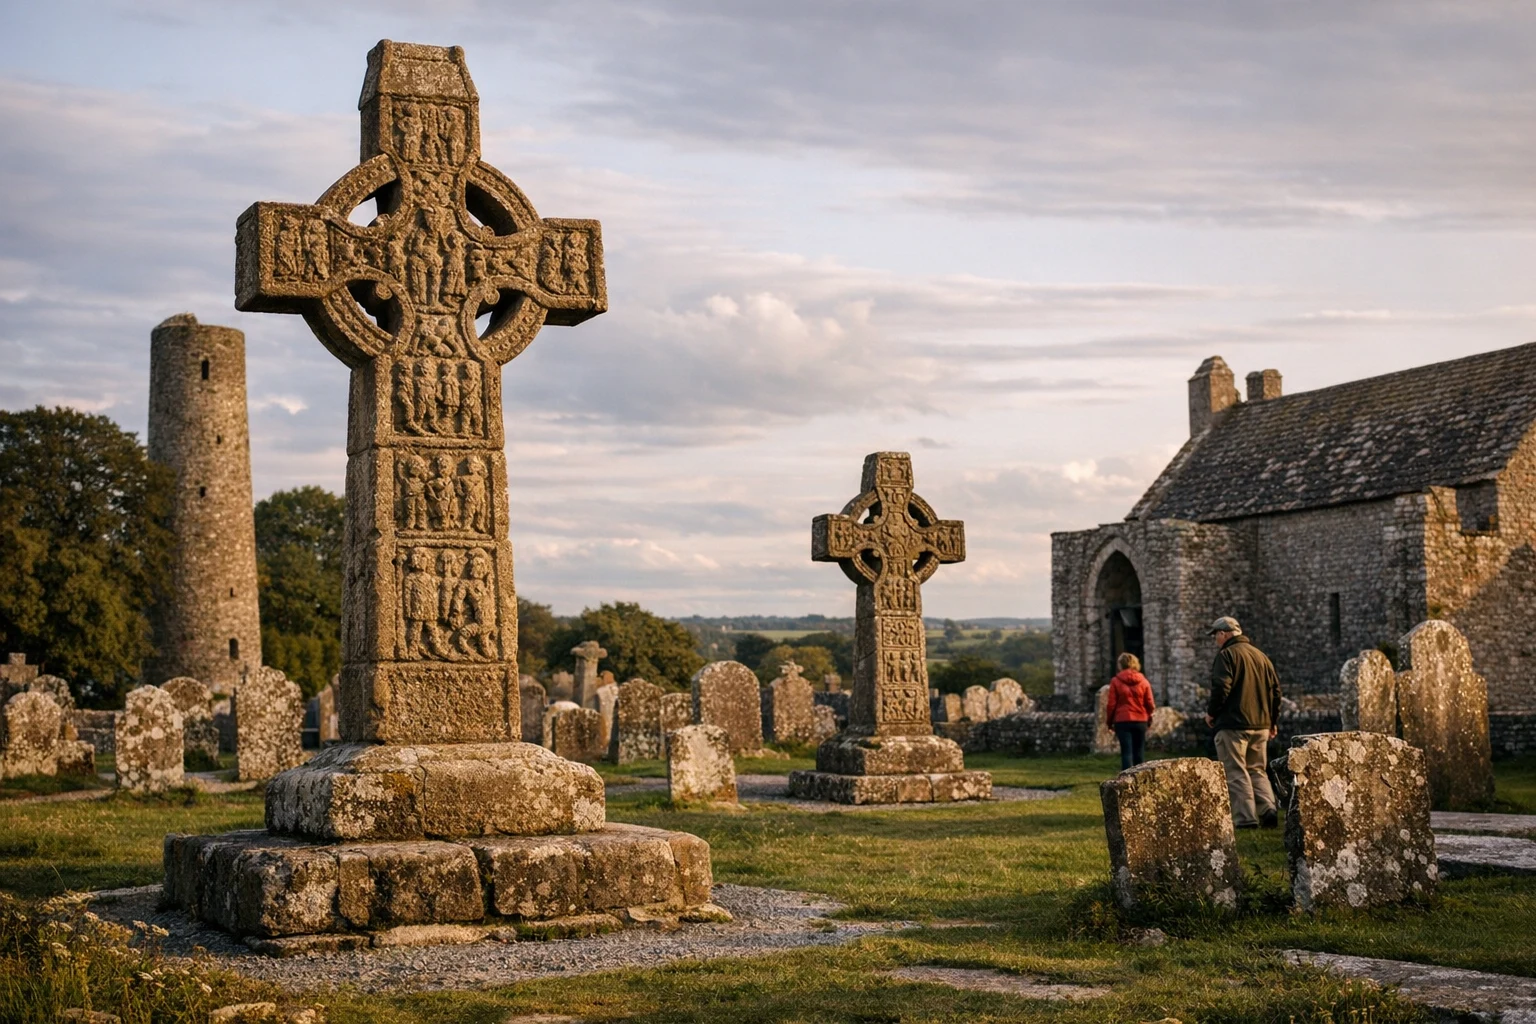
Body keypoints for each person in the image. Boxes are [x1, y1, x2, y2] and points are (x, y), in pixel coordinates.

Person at [1204, 616, 1282, 829]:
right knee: (1257, 769)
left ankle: (1245, 819)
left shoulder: (1227, 655)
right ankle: (1268, 808)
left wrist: (1212, 713)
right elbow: (1276, 691)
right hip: (1261, 725)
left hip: (1233, 723)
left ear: (1224, 634)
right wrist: (1272, 721)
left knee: (1236, 771)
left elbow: (1221, 688)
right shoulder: (1261, 656)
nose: (1215, 641)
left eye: (1215, 636)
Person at [1105, 652, 1155, 770]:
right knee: (1139, 752)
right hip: (1140, 720)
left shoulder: (1115, 681)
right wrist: (1149, 719)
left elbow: (1111, 705)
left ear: (1120, 665)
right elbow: (1150, 703)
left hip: (1122, 721)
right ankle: (1140, 781)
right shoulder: (1144, 681)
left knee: (1126, 753)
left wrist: (1109, 722)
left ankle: (1126, 782)